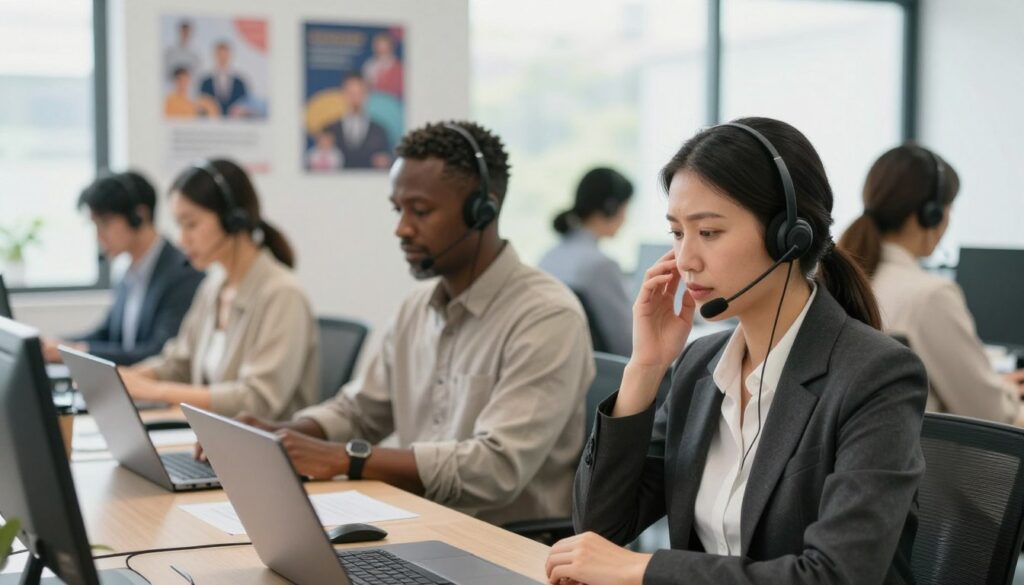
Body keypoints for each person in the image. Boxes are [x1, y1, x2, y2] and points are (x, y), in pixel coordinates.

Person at [545, 118, 928, 585]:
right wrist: (644, 367)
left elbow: (835, 575)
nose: (685, 260)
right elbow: (598, 527)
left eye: (707, 232)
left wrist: (644, 569)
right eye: (677, 234)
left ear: (789, 237)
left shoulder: (875, 375)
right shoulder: (698, 369)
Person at [205, 121, 595, 527]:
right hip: (419, 524)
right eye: (398, 209)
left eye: (421, 211)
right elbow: (361, 412)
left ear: (483, 211)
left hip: (505, 545)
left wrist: (347, 458)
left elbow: (496, 468)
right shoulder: (416, 308)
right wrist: (283, 434)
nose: (402, 228)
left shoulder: (546, 317)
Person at [839, 144, 1024, 425]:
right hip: (928, 463)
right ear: (932, 214)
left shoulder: (842, 279)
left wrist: (1001, 387)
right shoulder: (929, 296)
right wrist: (1005, 394)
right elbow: (992, 415)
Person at [120, 159, 319, 419]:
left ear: (233, 220)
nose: (182, 239)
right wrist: (123, 379)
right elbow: (179, 362)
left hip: (267, 451)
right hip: (216, 442)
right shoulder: (213, 286)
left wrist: (155, 391)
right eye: (179, 226)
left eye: (191, 224)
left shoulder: (282, 293)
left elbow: (257, 400)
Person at [41, 171, 204, 366]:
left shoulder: (183, 273)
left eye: (104, 224)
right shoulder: (129, 272)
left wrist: (80, 352)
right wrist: (61, 346)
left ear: (139, 216)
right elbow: (108, 333)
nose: (98, 236)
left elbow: (159, 353)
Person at [539, 167, 634, 356]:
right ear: (611, 208)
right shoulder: (601, 266)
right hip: (609, 379)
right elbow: (627, 345)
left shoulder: (548, 257)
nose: (626, 218)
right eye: (625, 209)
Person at [324, 74, 392, 169]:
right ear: (343, 94)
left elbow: (388, 160)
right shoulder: (330, 129)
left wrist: (385, 161)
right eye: (350, 93)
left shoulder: (379, 131)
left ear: (367, 95)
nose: (355, 98)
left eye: (359, 93)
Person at [199, 41, 249, 118]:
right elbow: (202, 106)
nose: (222, 58)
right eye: (220, 54)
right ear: (214, 56)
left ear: (230, 56)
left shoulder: (239, 83)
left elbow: (245, 105)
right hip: (211, 126)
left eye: (225, 55)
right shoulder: (205, 83)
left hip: (236, 126)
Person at [362, 32, 403, 98]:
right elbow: (365, 87)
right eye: (379, 47)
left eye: (385, 47)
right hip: (374, 100)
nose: (382, 51)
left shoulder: (399, 66)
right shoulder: (369, 65)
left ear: (391, 47)